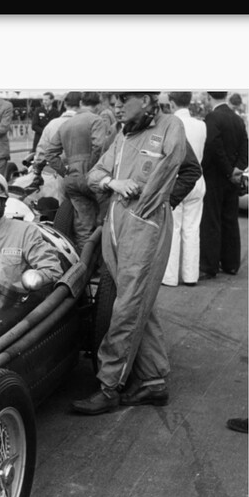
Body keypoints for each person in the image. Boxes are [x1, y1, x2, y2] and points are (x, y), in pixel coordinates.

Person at [71, 92, 189, 414]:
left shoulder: (170, 126)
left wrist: (143, 208)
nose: (118, 105)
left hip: (144, 226)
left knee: (127, 307)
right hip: (116, 225)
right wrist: (114, 182)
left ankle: (109, 385)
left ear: (148, 100)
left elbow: (172, 167)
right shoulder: (123, 135)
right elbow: (94, 175)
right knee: (137, 302)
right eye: (115, 98)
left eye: (125, 97)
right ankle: (153, 381)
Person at [0, 171, 63, 287]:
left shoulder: (25, 233)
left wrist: (36, 277)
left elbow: (53, 269)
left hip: (8, 302)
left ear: (3, 204)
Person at [43, 91, 107, 253]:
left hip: (72, 178)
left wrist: (64, 171)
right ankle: (103, 265)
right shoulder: (96, 120)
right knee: (105, 219)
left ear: (81, 104)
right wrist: (92, 169)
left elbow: (49, 153)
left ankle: (85, 266)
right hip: (93, 178)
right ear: (98, 105)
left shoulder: (66, 124)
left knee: (83, 227)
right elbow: (99, 146)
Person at [199, 91, 249, 279]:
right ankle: (231, 263)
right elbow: (246, 145)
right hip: (233, 178)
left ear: (209, 96)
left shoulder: (212, 118)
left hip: (215, 178)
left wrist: (228, 170)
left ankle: (210, 265)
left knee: (211, 221)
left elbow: (213, 147)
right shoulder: (237, 120)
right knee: (230, 220)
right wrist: (238, 168)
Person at [162, 91, 207, 287]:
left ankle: (170, 276)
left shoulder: (170, 124)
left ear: (171, 103)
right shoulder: (201, 125)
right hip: (197, 181)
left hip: (177, 180)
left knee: (174, 229)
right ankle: (191, 276)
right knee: (192, 229)